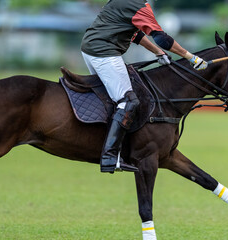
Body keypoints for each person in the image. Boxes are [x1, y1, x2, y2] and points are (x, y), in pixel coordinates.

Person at [81, 0, 208, 173]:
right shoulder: (139, 6)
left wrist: (157, 52)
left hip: (90, 49)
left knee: (114, 99)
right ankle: (109, 156)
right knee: (128, 101)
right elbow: (161, 37)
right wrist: (190, 57)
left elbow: (135, 34)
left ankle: (115, 146)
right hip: (104, 52)